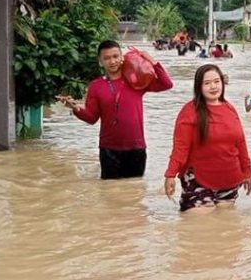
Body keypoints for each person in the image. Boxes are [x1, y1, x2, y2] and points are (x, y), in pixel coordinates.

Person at [59, 40, 173, 179]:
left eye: (115, 56)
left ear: (121, 57)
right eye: (107, 58)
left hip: (136, 147)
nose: (112, 61)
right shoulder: (96, 86)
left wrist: (152, 60)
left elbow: (166, 84)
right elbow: (91, 118)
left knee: (134, 191)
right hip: (109, 149)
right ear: (100, 61)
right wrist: (75, 108)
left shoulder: (136, 79)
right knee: (109, 192)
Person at [164, 64, 251, 213]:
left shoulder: (230, 109)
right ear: (199, 86)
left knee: (225, 226)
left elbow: (240, 143)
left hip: (229, 179)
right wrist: (170, 174)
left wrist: (247, 172)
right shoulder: (189, 111)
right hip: (197, 178)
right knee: (199, 227)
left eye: (217, 82)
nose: (213, 87)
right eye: (207, 83)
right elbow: (180, 148)